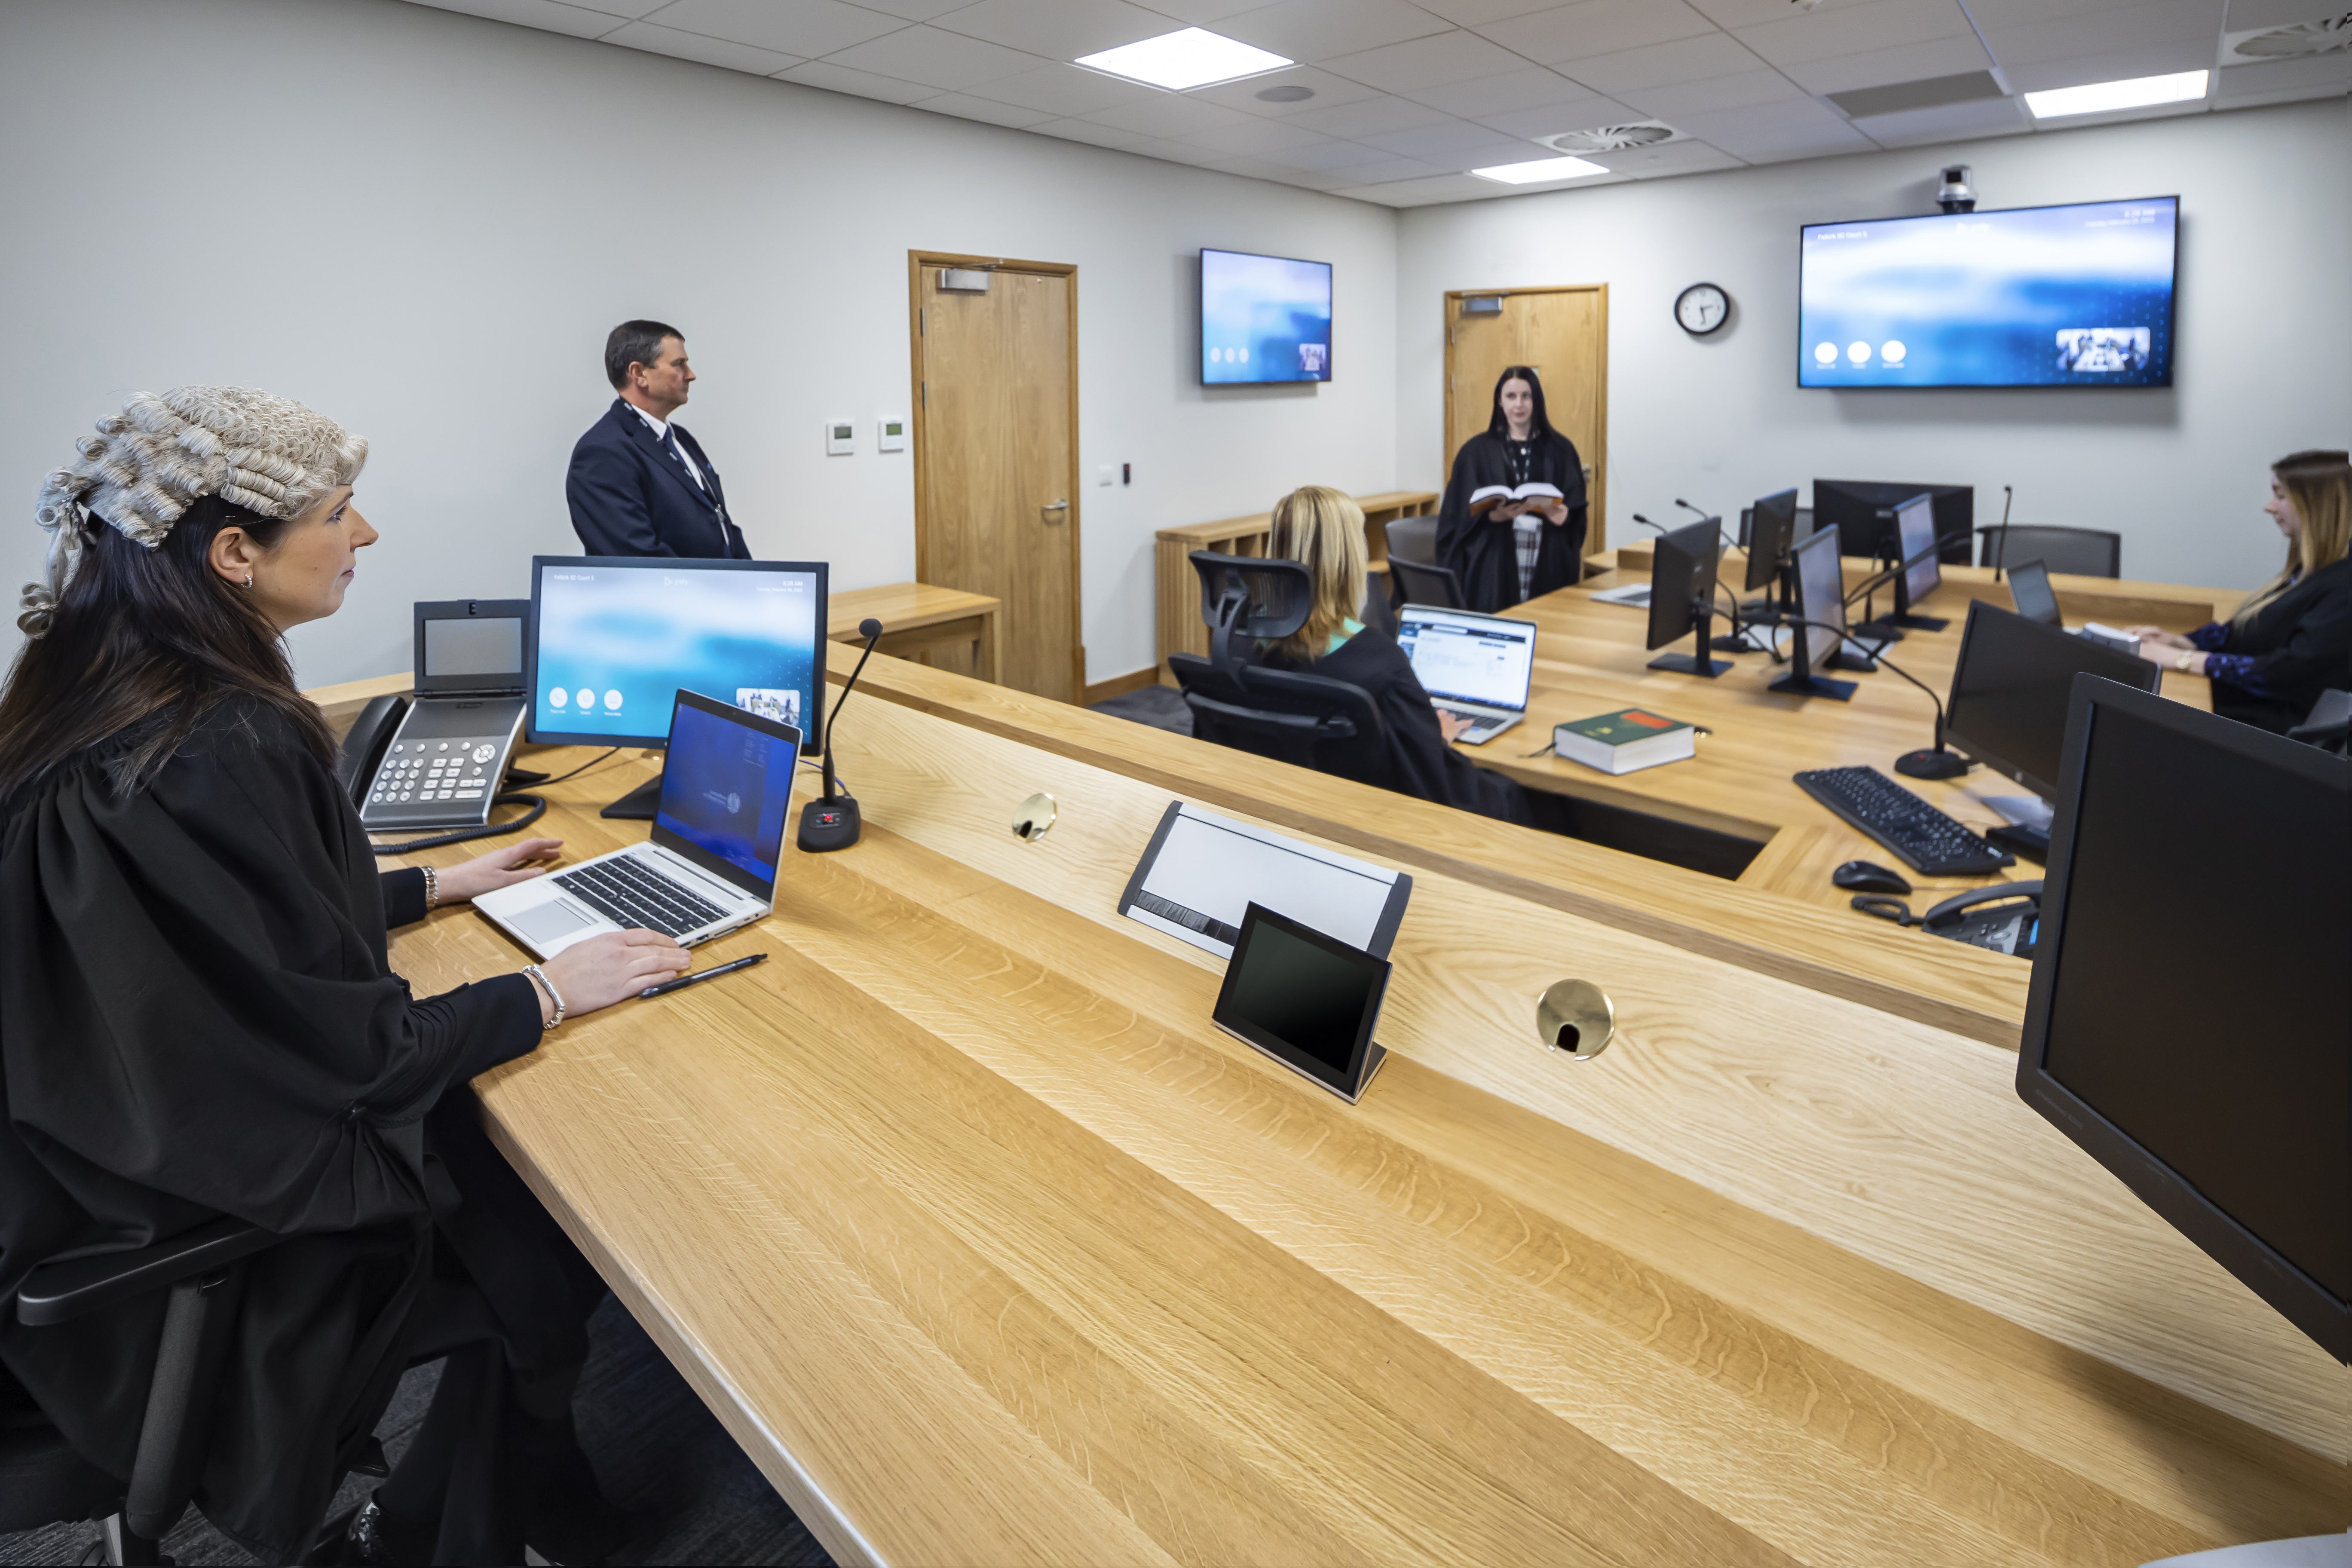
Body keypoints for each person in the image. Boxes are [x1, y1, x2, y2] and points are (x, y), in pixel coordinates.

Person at [0, 387, 692, 1563]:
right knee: (546, 1226)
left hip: (85, 1183)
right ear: (234, 553)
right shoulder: (228, 736)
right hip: (205, 1237)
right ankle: (432, 1522)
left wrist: (432, 886)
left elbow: (195, 936)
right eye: (338, 512)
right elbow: (361, 1063)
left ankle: (503, 1498)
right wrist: (548, 989)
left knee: (499, 1164)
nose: (363, 533)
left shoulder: (92, 694)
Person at [1255, 486, 1533, 826]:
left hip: (1281, 810)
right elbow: (1435, 781)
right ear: (1348, 559)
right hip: (1376, 821)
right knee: (1511, 793)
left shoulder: (1243, 645)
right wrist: (1437, 738)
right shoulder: (1379, 659)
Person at [2127, 450, 2352, 733]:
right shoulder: (2308, 572)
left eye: (2281, 496)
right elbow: (2248, 632)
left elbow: (2285, 672)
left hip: (2268, 734)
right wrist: (2181, 642)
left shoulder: (2343, 588)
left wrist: (2182, 660)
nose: (2269, 507)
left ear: (2318, 505)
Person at [566, 319, 748, 558]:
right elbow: (635, 555)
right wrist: (708, 582)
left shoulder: (682, 439)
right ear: (639, 374)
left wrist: (751, 577)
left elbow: (721, 522)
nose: (691, 375)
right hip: (675, 584)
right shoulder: (603, 452)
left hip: (722, 582)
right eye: (679, 365)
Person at [1434, 365, 1589, 614]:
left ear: (1536, 400)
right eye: (1511, 396)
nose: (1519, 404)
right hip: (1494, 560)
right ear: (1500, 401)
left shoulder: (1561, 449)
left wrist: (1565, 517)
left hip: (1545, 555)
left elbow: (1576, 506)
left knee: (1545, 620)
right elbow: (1455, 517)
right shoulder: (1475, 452)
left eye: (1526, 396)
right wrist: (1492, 516)